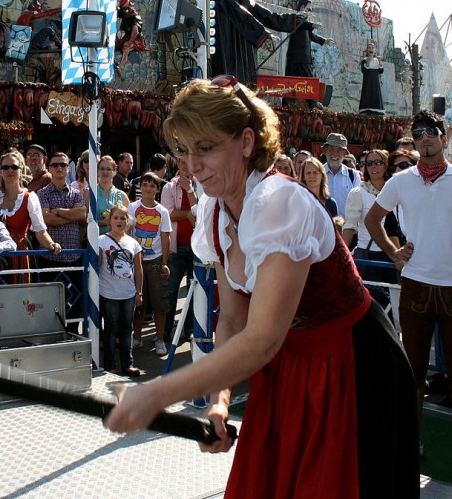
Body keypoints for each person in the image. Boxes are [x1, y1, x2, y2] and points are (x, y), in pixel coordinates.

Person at [103, 77, 418, 498]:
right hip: (288, 366)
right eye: (184, 149)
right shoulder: (215, 213)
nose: (191, 164)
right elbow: (232, 319)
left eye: (206, 147)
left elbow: (263, 338)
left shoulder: (280, 202)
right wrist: (218, 399)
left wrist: (154, 395)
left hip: (351, 363)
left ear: (247, 141)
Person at [365, 110, 452, 457]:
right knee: (412, 371)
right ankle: (410, 442)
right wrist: (393, 253)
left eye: (431, 131)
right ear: (413, 142)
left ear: (444, 137)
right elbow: (373, 219)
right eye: (418, 134)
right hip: (415, 285)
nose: (425, 138)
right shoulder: (400, 181)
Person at [343, 149, 400, 307]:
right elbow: (350, 226)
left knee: (393, 307)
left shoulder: (395, 190)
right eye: (368, 163)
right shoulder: (358, 193)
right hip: (368, 257)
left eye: (378, 162)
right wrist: (343, 253)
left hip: (393, 256)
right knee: (370, 305)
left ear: (385, 165)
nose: (373, 167)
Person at [37, 152, 87, 332]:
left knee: (76, 300)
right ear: (49, 168)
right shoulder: (41, 193)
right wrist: (69, 215)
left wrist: (57, 211)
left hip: (73, 257)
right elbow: (46, 219)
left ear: (68, 168)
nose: (59, 168)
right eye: (55, 165)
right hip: (50, 257)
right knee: (51, 301)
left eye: (63, 165)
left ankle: (73, 334)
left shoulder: (76, 193)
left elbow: (82, 214)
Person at [0, 150, 61, 283]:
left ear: (21, 170)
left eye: (14, 167)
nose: (10, 170)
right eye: (5, 167)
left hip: (18, 253)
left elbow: (40, 231)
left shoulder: (29, 197)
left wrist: (51, 244)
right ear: (1, 171)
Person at [128, 172, 171, 354]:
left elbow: (165, 237)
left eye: (152, 186)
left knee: (159, 301)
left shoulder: (163, 211)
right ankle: (137, 338)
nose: (148, 188)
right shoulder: (131, 207)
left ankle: (160, 339)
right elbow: (127, 232)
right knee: (138, 302)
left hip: (155, 261)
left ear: (157, 189)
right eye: (145, 185)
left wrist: (165, 262)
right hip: (135, 260)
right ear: (140, 187)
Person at [99, 203, 143, 377]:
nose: (119, 221)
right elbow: (96, 266)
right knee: (110, 329)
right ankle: (109, 364)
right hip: (108, 293)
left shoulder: (133, 243)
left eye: (123, 218)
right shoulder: (101, 241)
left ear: (128, 221)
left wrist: (139, 292)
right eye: (116, 217)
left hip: (128, 293)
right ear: (110, 220)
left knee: (126, 329)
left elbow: (138, 269)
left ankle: (128, 363)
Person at [161, 155, 200, 343]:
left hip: (197, 247)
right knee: (170, 290)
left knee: (195, 291)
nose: (186, 166)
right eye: (183, 162)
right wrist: (189, 214)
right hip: (176, 247)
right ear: (177, 164)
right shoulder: (169, 187)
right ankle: (166, 330)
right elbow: (168, 214)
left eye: (189, 162)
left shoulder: (201, 185)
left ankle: (190, 328)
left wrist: (190, 190)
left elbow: (202, 214)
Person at [281, 0, 335, 108]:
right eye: (307, 8)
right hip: (298, 56)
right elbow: (302, 24)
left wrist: (324, 41)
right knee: (293, 80)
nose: (309, 11)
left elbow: (312, 36)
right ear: (301, 8)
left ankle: (312, 103)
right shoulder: (296, 18)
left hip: (303, 56)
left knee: (308, 80)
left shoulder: (305, 22)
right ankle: (289, 103)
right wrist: (313, 25)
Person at [322, 132, 360, 216]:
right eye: (331, 149)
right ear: (325, 150)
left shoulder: (353, 175)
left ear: (344, 154)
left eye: (339, 149)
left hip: (346, 227)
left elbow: (358, 204)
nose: (335, 153)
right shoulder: (318, 173)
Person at [96, 155, 130, 234]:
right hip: (96, 242)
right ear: (97, 171)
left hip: (117, 242)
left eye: (108, 169)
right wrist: (103, 222)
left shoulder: (122, 196)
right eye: (102, 169)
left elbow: (130, 222)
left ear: (114, 172)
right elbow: (82, 223)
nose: (105, 172)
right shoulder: (89, 193)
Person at [359, 39, 384, 115]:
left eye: (372, 48)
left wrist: (379, 62)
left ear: (375, 50)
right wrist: (369, 61)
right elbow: (364, 70)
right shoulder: (364, 60)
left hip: (375, 82)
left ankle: (377, 109)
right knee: (367, 93)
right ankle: (366, 109)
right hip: (367, 82)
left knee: (375, 93)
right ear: (367, 50)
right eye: (369, 47)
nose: (371, 49)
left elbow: (381, 71)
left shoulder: (377, 60)